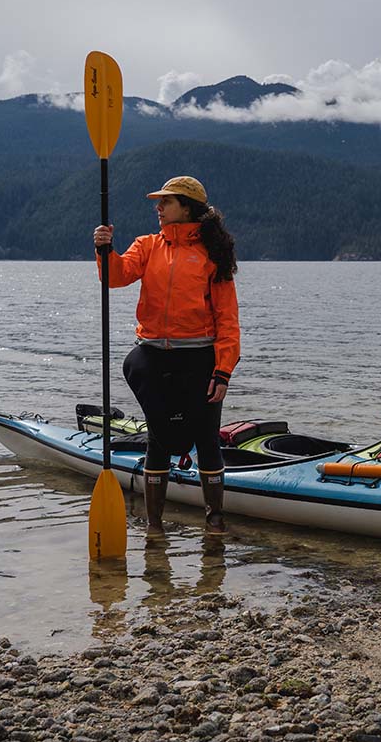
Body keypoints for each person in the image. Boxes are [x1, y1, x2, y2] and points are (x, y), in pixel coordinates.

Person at [94, 176, 239, 538]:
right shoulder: (147, 245)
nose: (158, 208)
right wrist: (105, 251)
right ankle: (155, 528)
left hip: (199, 358)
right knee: (157, 439)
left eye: (166, 202)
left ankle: (215, 522)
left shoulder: (212, 253)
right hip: (154, 355)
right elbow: (118, 277)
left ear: (187, 208)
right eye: (158, 203)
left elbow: (227, 319)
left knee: (206, 439)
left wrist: (222, 371)